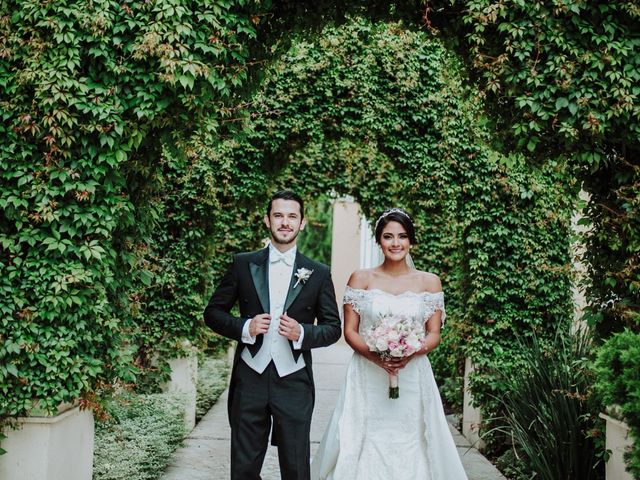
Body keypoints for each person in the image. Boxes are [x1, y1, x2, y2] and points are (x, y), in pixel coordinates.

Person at [311, 208, 468, 479]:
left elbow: (433, 333)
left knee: (413, 436)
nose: (396, 243)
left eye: (402, 236)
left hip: (413, 375)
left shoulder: (430, 282)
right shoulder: (361, 279)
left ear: (411, 241)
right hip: (367, 373)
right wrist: (377, 357)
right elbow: (350, 331)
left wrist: (409, 353)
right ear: (378, 241)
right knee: (364, 433)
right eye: (388, 236)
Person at [204, 190, 342, 480]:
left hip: (294, 380)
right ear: (268, 220)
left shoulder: (318, 273)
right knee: (244, 468)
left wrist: (302, 332)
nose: (285, 222)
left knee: (295, 467)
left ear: (302, 223)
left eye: (292, 216)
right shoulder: (243, 264)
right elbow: (213, 313)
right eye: (279, 215)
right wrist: (245, 327)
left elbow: (333, 328)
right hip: (250, 377)